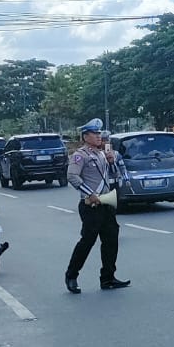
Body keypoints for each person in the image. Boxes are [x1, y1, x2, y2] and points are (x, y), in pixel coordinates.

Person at [64, 118, 127, 294]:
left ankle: (108, 277)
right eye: (95, 133)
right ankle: (71, 275)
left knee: (111, 239)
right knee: (87, 241)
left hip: (106, 202)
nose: (99, 137)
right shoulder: (79, 155)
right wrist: (90, 193)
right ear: (86, 136)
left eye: (100, 133)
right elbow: (72, 176)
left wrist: (112, 161)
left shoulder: (102, 154)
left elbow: (116, 176)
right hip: (90, 204)